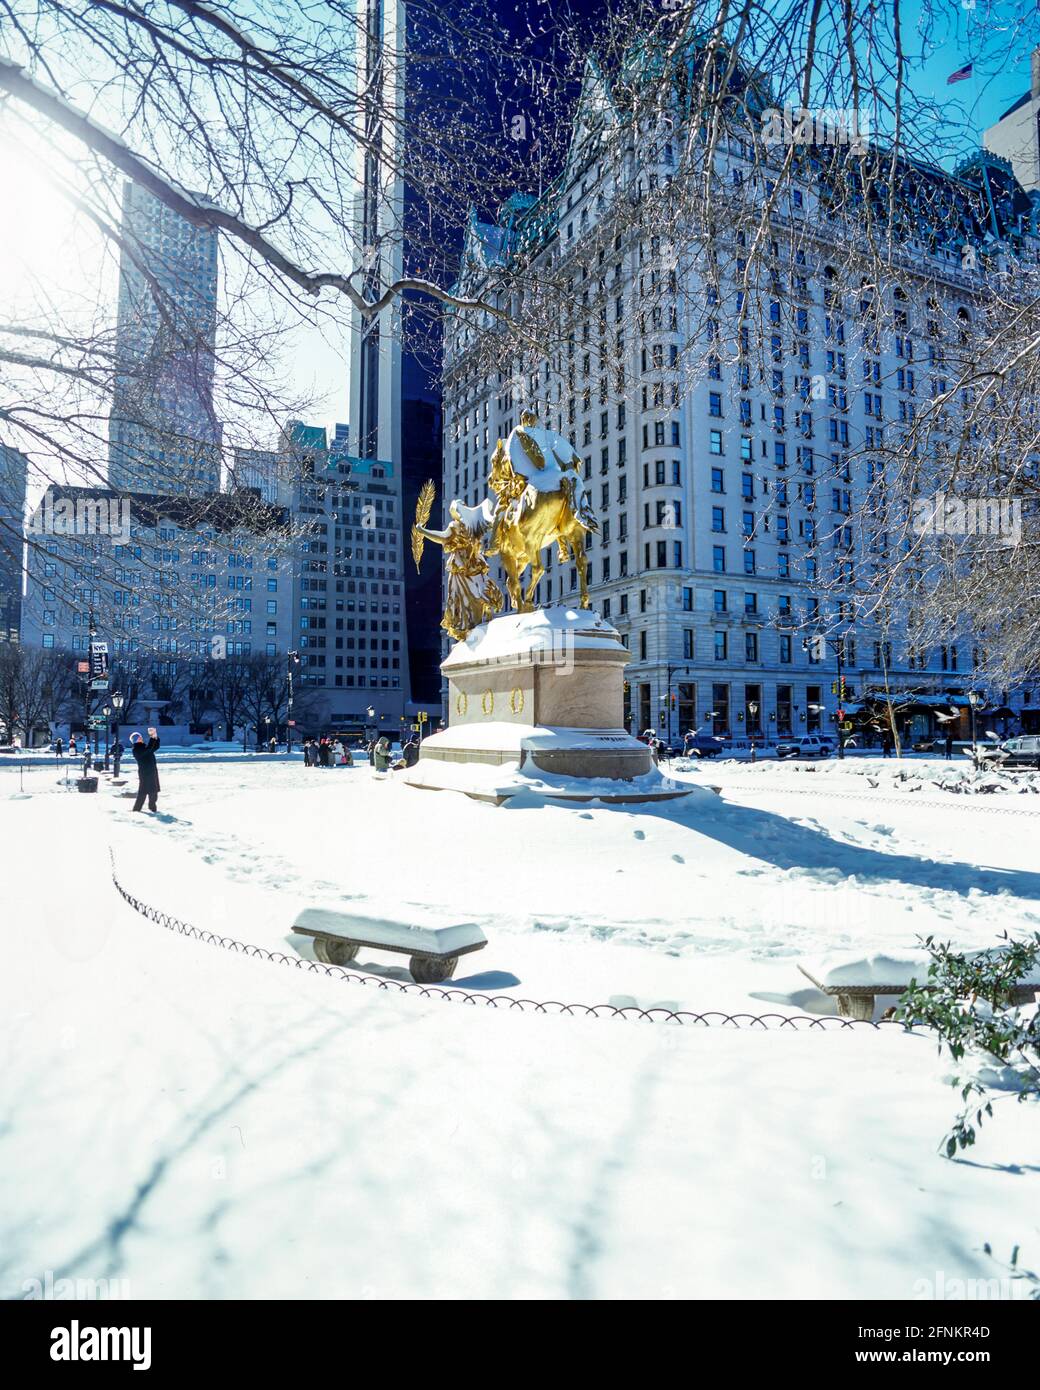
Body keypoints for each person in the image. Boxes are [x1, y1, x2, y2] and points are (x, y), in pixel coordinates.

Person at [130, 728, 161, 813]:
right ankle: (138, 810)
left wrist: (154, 736)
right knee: (144, 793)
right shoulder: (136, 750)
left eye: (141, 737)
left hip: (151, 772)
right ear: (135, 740)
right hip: (145, 773)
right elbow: (150, 750)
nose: (141, 738)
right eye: (139, 738)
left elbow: (154, 747)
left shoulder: (143, 747)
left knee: (152, 792)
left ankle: (151, 808)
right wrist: (152, 737)